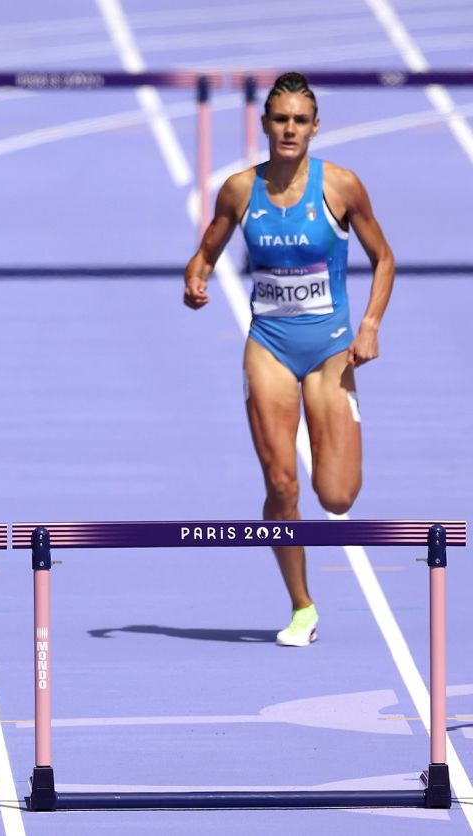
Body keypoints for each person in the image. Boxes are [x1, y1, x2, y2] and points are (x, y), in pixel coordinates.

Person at [183, 72, 394, 647]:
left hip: (330, 349)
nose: (290, 130)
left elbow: (384, 259)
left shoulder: (341, 187)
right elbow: (205, 252)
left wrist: (370, 324)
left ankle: (338, 444)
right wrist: (195, 283)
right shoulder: (238, 190)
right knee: (280, 484)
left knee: (336, 496)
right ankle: (302, 605)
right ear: (265, 125)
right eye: (281, 120)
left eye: (300, 120)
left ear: (315, 126)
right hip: (269, 347)